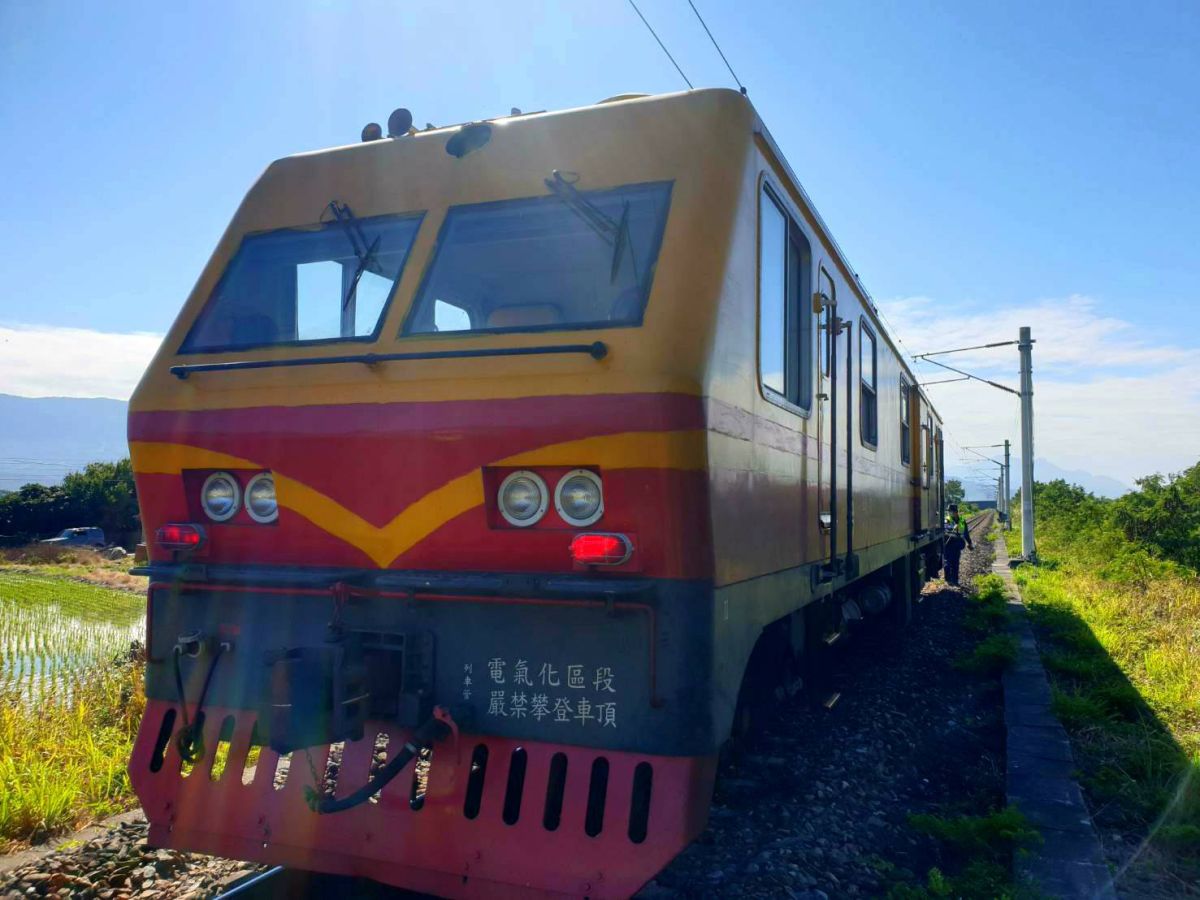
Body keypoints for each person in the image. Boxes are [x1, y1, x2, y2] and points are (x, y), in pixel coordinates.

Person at [942, 504, 973, 586]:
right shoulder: (946, 520)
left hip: (957, 544)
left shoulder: (962, 520)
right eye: (949, 512)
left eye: (951, 511)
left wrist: (969, 543)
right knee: (947, 562)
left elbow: (966, 534)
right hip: (948, 544)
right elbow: (944, 531)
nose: (950, 513)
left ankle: (955, 580)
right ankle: (948, 579)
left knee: (955, 563)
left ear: (956, 512)